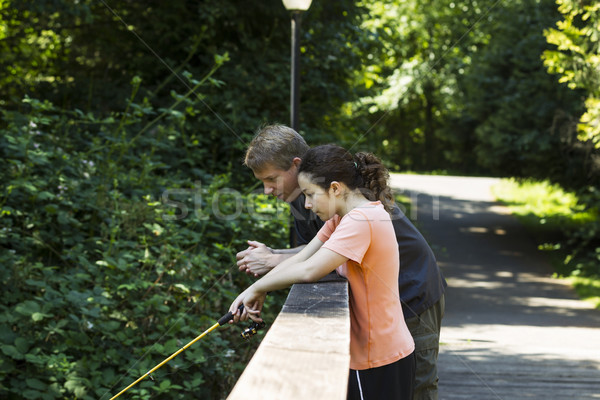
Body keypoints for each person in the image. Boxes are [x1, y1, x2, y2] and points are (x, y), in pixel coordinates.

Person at [238, 124, 447, 400]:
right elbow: (313, 253)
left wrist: (268, 269)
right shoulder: (327, 204)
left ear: (296, 166)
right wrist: (273, 263)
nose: (266, 190)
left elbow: (313, 264)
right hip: (378, 319)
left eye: (271, 178)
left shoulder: (344, 203)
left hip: (413, 292)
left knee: (418, 389)